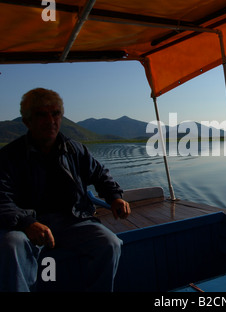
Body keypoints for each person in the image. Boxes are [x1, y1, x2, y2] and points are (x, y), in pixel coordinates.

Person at [0, 88, 131, 292]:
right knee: (11, 244)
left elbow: (99, 174)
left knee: (110, 243)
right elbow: (1, 198)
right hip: (27, 226)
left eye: (55, 114)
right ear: (27, 121)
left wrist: (114, 197)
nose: (51, 120)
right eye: (42, 114)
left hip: (73, 220)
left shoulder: (74, 149)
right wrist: (27, 223)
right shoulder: (9, 156)